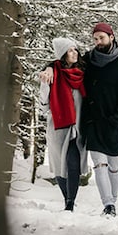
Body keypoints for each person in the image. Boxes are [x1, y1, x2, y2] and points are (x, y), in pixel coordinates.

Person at [40, 23, 118, 217]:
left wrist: (116, 120)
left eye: (101, 38)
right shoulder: (90, 60)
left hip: (113, 124)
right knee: (99, 163)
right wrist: (48, 68)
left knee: (114, 166)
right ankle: (108, 204)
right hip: (91, 123)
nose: (98, 42)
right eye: (95, 39)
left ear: (111, 36)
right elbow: (65, 60)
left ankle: (113, 199)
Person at [38, 37, 88, 212]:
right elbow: (43, 104)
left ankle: (70, 203)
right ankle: (66, 198)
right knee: (60, 167)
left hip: (79, 128)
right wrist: (45, 84)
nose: (74, 53)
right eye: (70, 50)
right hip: (58, 127)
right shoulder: (51, 74)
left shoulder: (83, 72)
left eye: (75, 49)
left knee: (73, 164)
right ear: (62, 54)